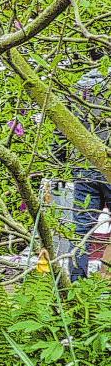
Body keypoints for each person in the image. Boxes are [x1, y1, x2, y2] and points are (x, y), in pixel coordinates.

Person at [70, 67, 111, 280]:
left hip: (83, 167)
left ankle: (77, 285)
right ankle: (104, 285)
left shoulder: (77, 85)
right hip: (107, 165)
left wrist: (61, 160)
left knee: (81, 231)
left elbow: (62, 128)